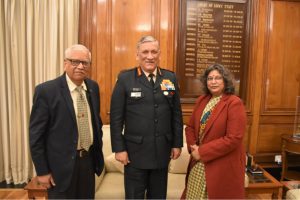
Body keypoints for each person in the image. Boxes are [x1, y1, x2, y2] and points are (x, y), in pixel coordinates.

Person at [110, 35, 183, 199]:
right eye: (145, 52)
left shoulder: (170, 78)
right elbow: (116, 118)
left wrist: (177, 144)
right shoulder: (125, 79)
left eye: (154, 52)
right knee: (134, 196)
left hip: (162, 152)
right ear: (137, 55)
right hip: (135, 153)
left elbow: (176, 114)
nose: (149, 56)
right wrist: (119, 148)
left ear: (159, 54)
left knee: (158, 196)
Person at [29, 44, 104, 199]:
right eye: (75, 61)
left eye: (85, 62)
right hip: (60, 167)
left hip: (88, 163)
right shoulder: (47, 91)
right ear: (65, 63)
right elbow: (36, 136)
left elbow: (96, 122)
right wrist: (42, 171)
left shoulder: (93, 87)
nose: (80, 66)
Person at [181, 64, 247, 199]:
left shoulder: (234, 103)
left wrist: (202, 152)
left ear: (225, 81)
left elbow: (233, 138)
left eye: (218, 78)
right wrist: (194, 148)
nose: (213, 81)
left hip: (221, 166)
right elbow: (190, 127)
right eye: (210, 78)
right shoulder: (202, 100)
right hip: (198, 163)